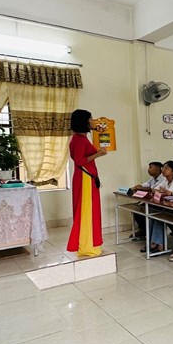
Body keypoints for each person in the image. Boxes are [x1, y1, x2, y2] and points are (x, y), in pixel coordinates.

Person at [66, 109, 106, 257]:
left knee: (90, 211)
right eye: (91, 118)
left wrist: (96, 128)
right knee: (87, 211)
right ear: (84, 121)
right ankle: (87, 246)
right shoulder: (79, 140)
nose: (94, 120)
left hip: (87, 177)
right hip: (85, 178)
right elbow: (79, 161)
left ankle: (91, 244)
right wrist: (98, 154)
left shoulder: (80, 137)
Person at [145, 161, 173, 253]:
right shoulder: (165, 180)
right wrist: (163, 191)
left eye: (167, 168)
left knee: (158, 216)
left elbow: (169, 193)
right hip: (167, 206)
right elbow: (154, 190)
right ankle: (154, 242)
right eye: (164, 168)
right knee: (152, 214)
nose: (164, 170)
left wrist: (164, 191)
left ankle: (158, 244)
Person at [129, 161, 163, 238]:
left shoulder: (163, 178)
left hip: (159, 202)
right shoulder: (152, 178)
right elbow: (144, 185)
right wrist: (135, 187)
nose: (148, 169)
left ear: (158, 169)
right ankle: (143, 229)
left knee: (141, 210)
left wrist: (140, 188)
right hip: (151, 200)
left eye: (151, 167)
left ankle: (146, 230)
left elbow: (153, 189)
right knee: (136, 209)